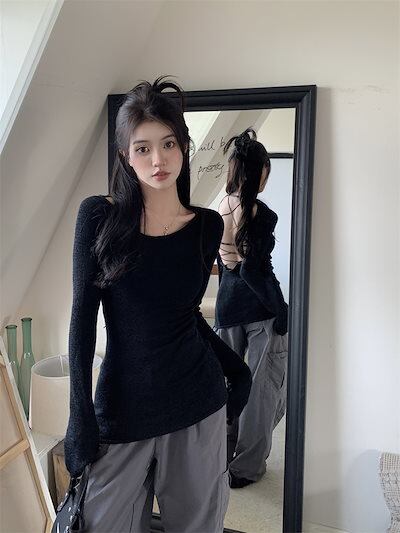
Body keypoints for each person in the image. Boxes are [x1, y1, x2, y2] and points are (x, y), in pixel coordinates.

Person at [63, 75, 252, 533]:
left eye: (168, 144)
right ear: (125, 157)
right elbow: (82, 322)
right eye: (143, 148)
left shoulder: (207, 226)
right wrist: (79, 416)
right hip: (123, 410)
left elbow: (185, 316)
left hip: (197, 404)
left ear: (183, 148)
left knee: (197, 526)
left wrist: (237, 369)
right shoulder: (99, 217)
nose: (158, 159)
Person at [212, 128, 289, 489]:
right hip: (260, 311)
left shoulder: (220, 207)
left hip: (227, 307)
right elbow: (255, 271)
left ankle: (221, 457)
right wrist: (281, 308)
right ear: (260, 172)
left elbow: (228, 265)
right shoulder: (262, 214)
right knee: (261, 391)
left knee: (228, 384)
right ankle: (245, 468)